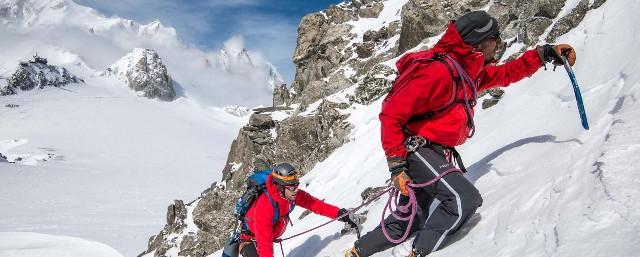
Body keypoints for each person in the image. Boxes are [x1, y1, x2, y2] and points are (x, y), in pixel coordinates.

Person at [344, 10, 576, 257]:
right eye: (496, 39)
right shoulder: (439, 72)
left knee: (411, 217)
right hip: (416, 150)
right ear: (480, 41)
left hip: (431, 151)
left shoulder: (465, 72)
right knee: (462, 199)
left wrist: (544, 55)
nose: (499, 45)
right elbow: (391, 114)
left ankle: (358, 251)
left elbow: (505, 73)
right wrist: (397, 166)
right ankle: (419, 252)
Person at [239, 163, 357, 257]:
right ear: (279, 187)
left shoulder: (291, 194)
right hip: (251, 239)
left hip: (268, 235)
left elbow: (316, 205)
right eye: (291, 187)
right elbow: (264, 246)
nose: (296, 190)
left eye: (296, 185)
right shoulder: (264, 206)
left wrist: (340, 214)